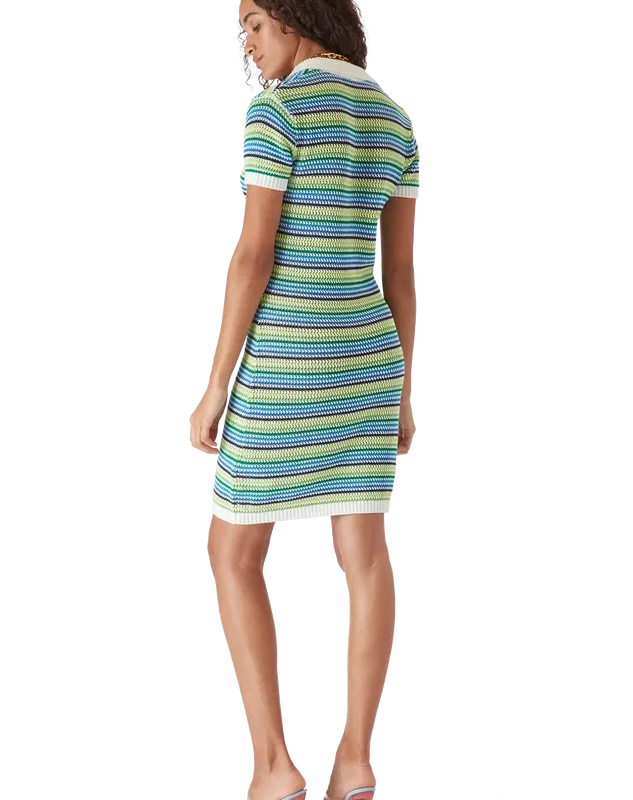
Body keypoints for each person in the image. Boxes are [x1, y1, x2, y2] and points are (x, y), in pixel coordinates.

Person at [188, 2, 420, 798]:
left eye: (256, 23)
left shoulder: (278, 113)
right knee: (366, 555)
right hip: (368, 366)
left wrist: (216, 385)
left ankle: (275, 767)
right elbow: (400, 274)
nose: (249, 44)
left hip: (286, 360)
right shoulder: (393, 116)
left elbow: (253, 256)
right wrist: (404, 394)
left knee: (232, 552)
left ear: (297, 15)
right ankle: (354, 760)